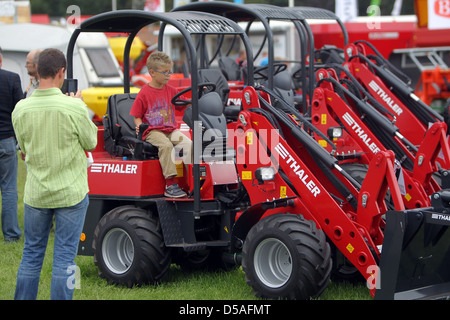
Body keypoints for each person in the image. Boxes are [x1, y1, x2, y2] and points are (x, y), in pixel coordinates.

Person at [12, 48, 98, 300]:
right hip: (70, 191)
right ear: (62, 73)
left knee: (31, 254)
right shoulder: (74, 108)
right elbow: (91, 142)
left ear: (37, 72)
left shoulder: (21, 108)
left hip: (37, 192)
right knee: (65, 257)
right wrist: (79, 104)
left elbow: (25, 150)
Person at [130, 51, 191, 198]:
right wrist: (139, 126)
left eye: (169, 71)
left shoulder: (171, 90)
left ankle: (193, 181)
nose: (168, 75)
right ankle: (170, 185)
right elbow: (137, 116)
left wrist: (195, 99)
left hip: (169, 129)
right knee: (166, 146)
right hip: (152, 130)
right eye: (164, 72)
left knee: (188, 144)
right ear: (152, 72)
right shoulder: (144, 93)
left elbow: (183, 104)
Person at [0, 46, 23, 243]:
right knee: (8, 189)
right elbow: (19, 111)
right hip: (6, 140)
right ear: (1, 59)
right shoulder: (12, 78)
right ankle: (11, 235)